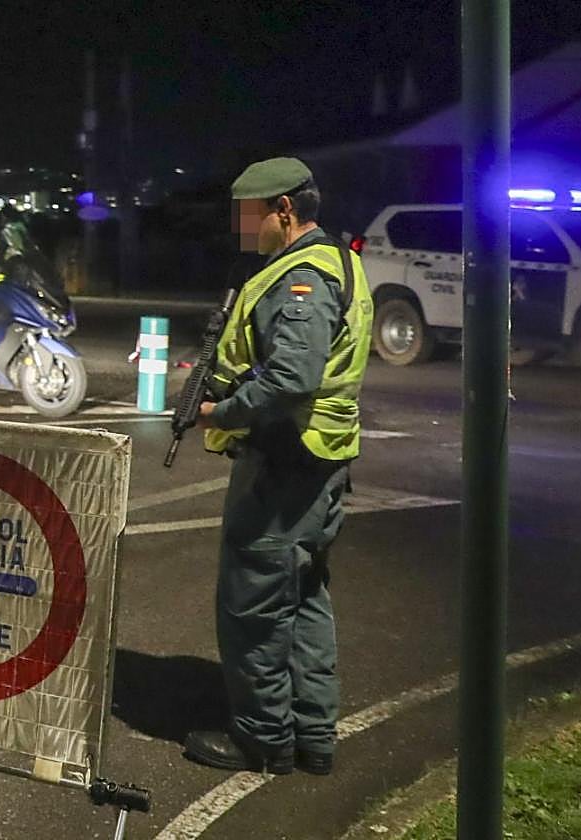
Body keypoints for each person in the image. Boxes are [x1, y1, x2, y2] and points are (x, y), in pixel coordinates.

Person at [184, 157, 374, 776]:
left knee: (255, 605)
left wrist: (221, 412)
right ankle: (313, 737)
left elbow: (292, 377)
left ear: (284, 210)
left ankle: (264, 741)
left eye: (249, 216)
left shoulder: (302, 277)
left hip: (286, 462)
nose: (243, 230)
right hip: (321, 460)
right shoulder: (339, 261)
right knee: (304, 596)